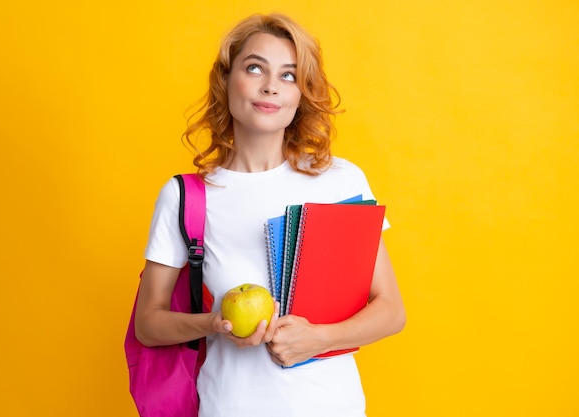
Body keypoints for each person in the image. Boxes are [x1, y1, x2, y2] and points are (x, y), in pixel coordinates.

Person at [135, 13, 406, 417]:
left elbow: (391, 310)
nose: (270, 87)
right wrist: (213, 324)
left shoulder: (339, 181)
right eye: (255, 67)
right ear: (226, 80)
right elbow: (148, 325)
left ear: (301, 95)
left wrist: (319, 338)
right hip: (229, 407)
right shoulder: (186, 197)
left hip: (333, 407)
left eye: (289, 76)